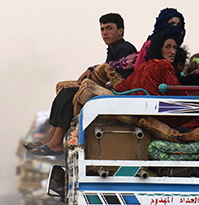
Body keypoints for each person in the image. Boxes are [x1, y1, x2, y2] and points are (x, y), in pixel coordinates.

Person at [26, 13, 137, 156]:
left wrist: (93, 70)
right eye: (102, 29)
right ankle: (50, 139)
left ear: (120, 30)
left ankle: (56, 142)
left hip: (117, 93)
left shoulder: (125, 48)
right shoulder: (113, 48)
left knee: (68, 94)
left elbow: (119, 68)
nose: (104, 33)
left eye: (109, 28)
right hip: (106, 89)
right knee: (64, 91)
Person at [113, 29, 183, 96]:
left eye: (174, 48)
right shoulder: (163, 65)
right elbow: (178, 93)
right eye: (167, 47)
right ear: (158, 48)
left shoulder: (141, 68)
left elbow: (120, 88)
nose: (173, 52)